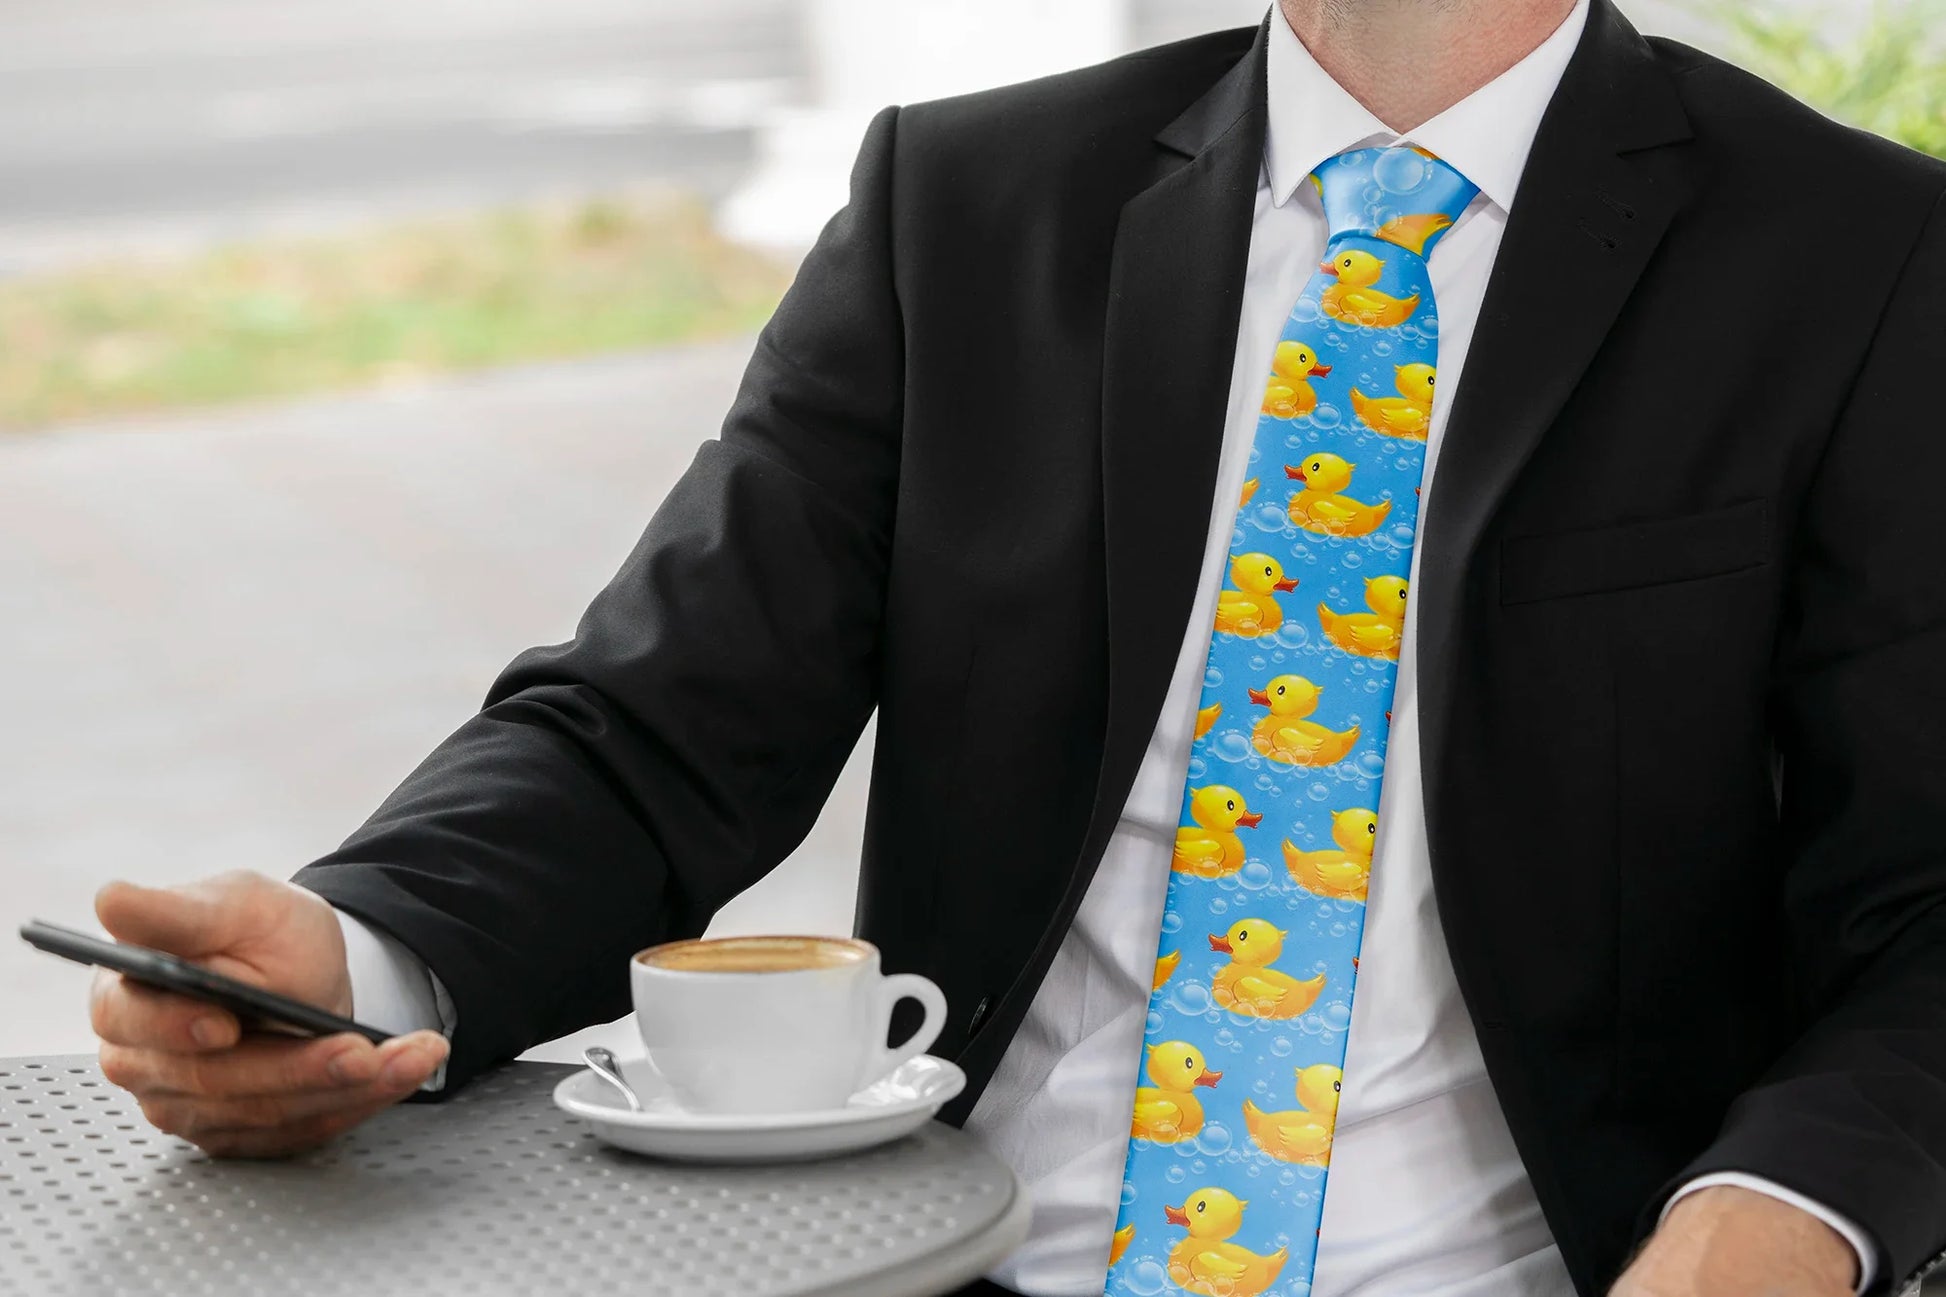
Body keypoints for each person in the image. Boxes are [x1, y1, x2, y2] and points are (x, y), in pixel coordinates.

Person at [83, 0, 1946, 1292]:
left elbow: (1926, 908)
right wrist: (354, 951)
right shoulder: (962, 210)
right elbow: (656, 725)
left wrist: (1773, 1221)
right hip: (950, 1255)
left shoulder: (1857, 258)